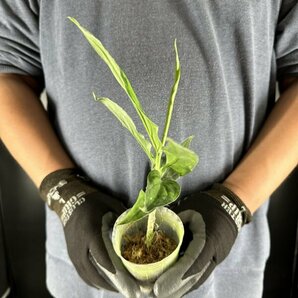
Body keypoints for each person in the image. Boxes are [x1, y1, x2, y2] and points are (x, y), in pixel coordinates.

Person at [0, 1, 297, 297]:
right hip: (86, 267)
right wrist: (64, 191)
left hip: (226, 271)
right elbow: (7, 68)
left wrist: (235, 201)